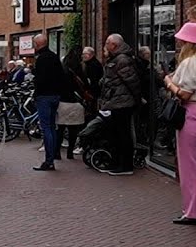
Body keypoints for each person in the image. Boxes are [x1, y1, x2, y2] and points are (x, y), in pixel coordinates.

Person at [164, 23, 196, 224]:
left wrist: (168, 82)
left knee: (190, 167)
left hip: (192, 113)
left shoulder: (190, 62)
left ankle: (194, 211)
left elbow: (184, 93)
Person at [98, 34, 141, 176]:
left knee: (122, 134)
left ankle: (125, 165)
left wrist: (137, 99)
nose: (105, 46)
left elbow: (132, 81)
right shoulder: (115, 59)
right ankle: (117, 163)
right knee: (116, 134)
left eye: (107, 43)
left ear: (114, 45)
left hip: (122, 103)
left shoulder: (122, 60)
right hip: (116, 102)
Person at [31, 34, 68, 171]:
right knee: (52, 127)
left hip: (44, 96)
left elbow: (40, 79)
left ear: (37, 44)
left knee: (46, 127)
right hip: (55, 96)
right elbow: (61, 76)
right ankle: (53, 156)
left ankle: (49, 160)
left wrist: (36, 93)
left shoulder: (41, 59)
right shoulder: (54, 56)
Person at [59, 49, 89, 160]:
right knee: (73, 130)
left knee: (60, 129)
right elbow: (85, 86)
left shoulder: (62, 72)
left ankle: (57, 153)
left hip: (62, 103)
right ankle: (70, 152)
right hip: (76, 103)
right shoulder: (80, 72)